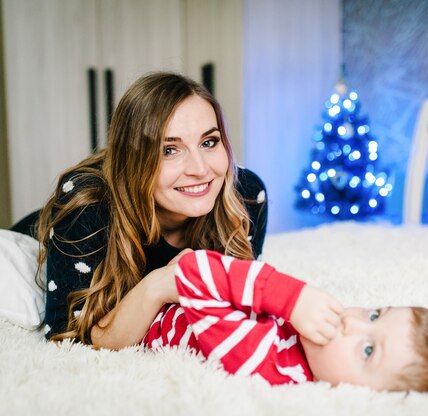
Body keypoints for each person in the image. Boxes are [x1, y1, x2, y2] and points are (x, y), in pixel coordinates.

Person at [22, 72, 267, 349]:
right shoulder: (85, 206)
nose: (200, 169)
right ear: (134, 159)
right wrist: (159, 285)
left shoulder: (246, 194)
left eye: (209, 142)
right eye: (169, 150)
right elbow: (64, 339)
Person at [143, 250, 428, 393]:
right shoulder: (304, 343)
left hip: (141, 314)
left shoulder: (267, 365)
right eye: (374, 315)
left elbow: (189, 271)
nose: (351, 323)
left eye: (369, 350)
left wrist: (290, 296)